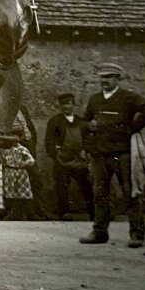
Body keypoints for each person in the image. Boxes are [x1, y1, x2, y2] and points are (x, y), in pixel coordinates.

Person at [79, 63, 145, 248]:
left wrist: (131, 128)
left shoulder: (128, 98)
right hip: (99, 154)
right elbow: (84, 121)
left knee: (130, 194)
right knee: (99, 194)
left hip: (123, 155)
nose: (104, 81)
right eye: (102, 77)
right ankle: (99, 232)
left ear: (117, 78)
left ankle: (136, 235)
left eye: (108, 77)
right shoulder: (95, 99)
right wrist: (89, 127)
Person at [45, 92, 94, 220]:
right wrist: (56, 154)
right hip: (62, 160)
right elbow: (48, 142)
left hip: (79, 160)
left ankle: (95, 212)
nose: (65, 106)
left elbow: (88, 140)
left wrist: (86, 151)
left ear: (73, 104)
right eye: (62, 104)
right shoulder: (55, 121)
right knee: (61, 187)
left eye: (68, 103)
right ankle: (64, 213)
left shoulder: (82, 122)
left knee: (87, 186)